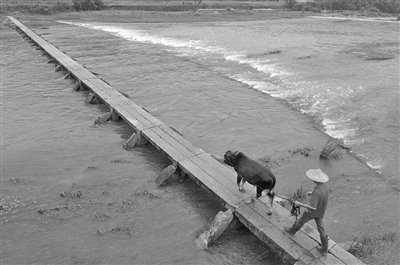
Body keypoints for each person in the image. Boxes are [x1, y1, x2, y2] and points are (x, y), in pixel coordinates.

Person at [284, 168, 330, 254]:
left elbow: (312, 208)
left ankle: (291, 231)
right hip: (321, 211)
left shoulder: (317, 191)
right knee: (321, 228)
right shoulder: (326, 187)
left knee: (301, 221)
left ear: (315, 180)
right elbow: (322, 195)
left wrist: (299, 204)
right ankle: (324, 248)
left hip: (312, 212)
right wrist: (312, 193)